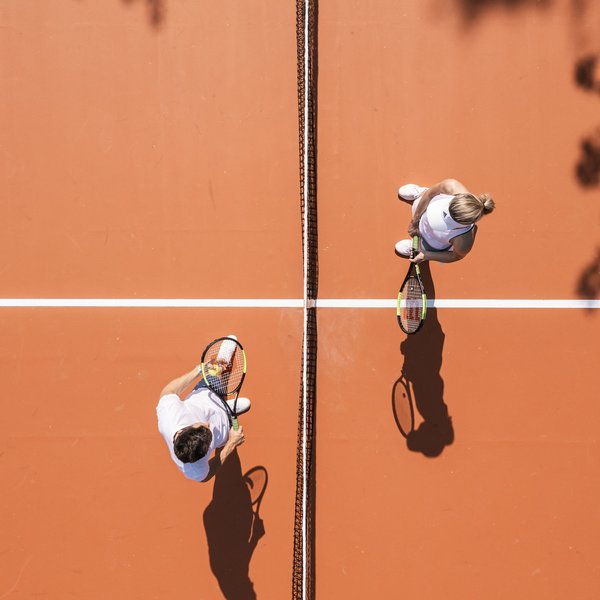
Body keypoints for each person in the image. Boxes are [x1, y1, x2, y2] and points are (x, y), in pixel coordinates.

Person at [156, 342, 250, 483]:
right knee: (239, 413)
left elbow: (168, 392)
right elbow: (207, 475)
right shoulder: (195, 469)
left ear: (184, 430)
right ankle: (228, 411)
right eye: (209, 431)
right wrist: (231, 443)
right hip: (225, 430)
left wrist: (199, 370)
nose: (208, 424)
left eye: (202, 426)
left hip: (207, 392)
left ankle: (221, 362)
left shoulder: (169, 416)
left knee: (217, 369)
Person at [395, 179, 495, 264]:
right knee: (422, 199)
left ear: (463, 224)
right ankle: (419, 193)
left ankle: (418, 248)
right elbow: (430, 194)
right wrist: (415, 221)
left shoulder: (464, 243)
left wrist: (426, 255)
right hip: (423, 211)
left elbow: (455, 256)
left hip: (432, 241)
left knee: (429, 249)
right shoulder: (451, 186)